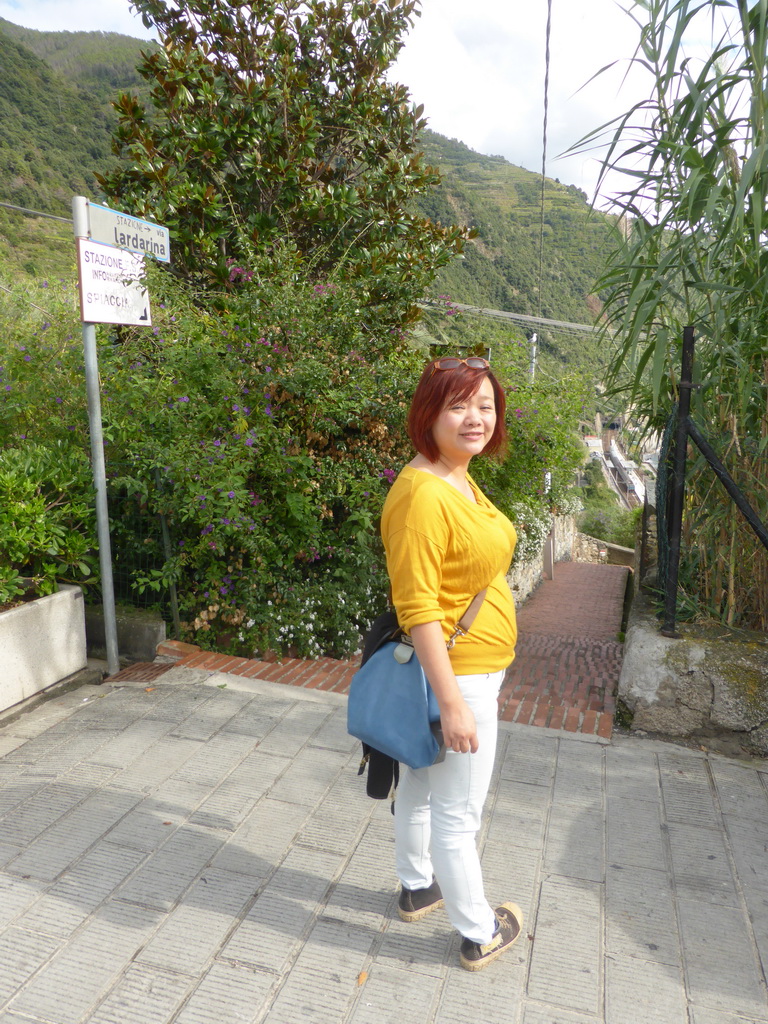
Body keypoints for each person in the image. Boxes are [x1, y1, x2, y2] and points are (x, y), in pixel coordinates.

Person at [380, 355, 523, 972]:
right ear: (428, 413)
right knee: (458, 813)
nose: (476, 419)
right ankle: (478, 930)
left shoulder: (457, 475)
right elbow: (418, 609)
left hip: (465, 671)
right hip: (459, 676)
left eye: (485, 406)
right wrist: (454, 702)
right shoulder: (421, 495)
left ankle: (417, 886)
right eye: (459, 406)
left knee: (419, 782)